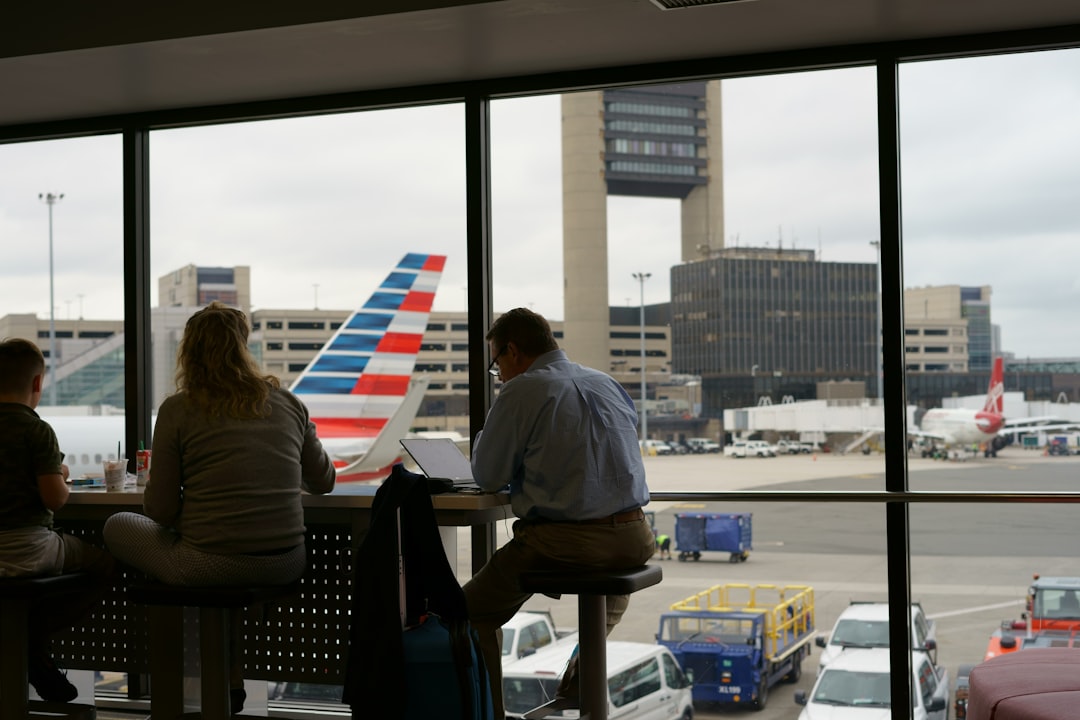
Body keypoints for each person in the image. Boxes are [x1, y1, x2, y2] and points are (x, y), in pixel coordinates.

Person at [103, 302, 336, 711]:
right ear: (243, 347)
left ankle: (186, 682)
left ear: (188, 352)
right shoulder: (289, 403)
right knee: (221, 577)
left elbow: (158, 510)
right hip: (285, 561)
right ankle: (230, 677)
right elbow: (325, 482)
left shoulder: (178, 409)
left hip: (208, 564)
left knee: (117, 526)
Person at [463, 308, 654, 718]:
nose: (499, 376)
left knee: (467, 614)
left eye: (497, 365)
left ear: (512, 351)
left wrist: (487, 436)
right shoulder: (605, 382)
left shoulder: (522, 391)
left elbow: (488, 474)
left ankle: (490, 715)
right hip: (635, 537)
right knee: (604, 602)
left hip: (564, 542)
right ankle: (576, 693)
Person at [0, 338, 115, 703]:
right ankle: (33, 641)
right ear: (37, 384)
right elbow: (54, 498)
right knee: (104, 564)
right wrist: (60, 476)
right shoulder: (37, 430)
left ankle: (19, 641)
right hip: (30, 549)